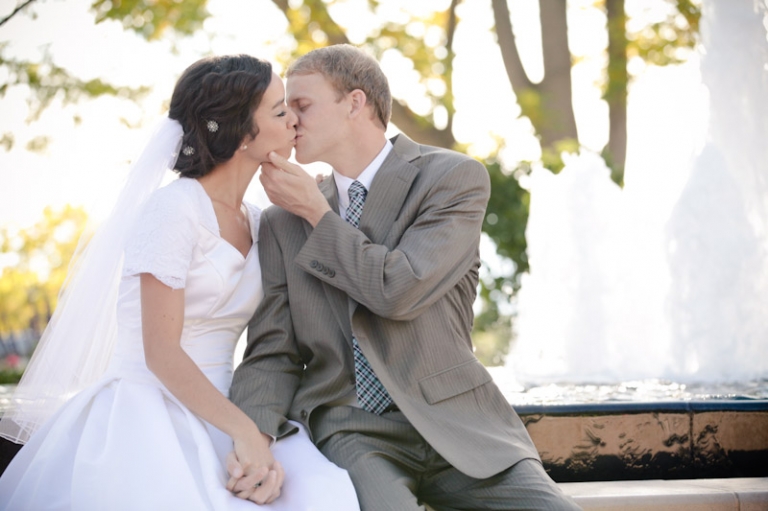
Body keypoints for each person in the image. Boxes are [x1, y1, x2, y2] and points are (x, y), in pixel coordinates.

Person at [230, 44, 581, 511]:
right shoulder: (281, 222)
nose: (290, 121)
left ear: (355, 102)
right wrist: (250, 440)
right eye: (286, 110)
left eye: (302, 105)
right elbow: (272, 351)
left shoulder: (452, 180)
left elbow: (400, 291)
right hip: (351, 429)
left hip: (460, 425)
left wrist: (317, 214)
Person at [0, 55, 360, 510]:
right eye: (278, 110)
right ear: (239, 131)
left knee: (323, 492)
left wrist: (255, 428)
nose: (293, 119)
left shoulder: (260, 221)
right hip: (149, 410)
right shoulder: (173, 210)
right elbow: (161, 353)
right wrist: (243, 432)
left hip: (230, 406)